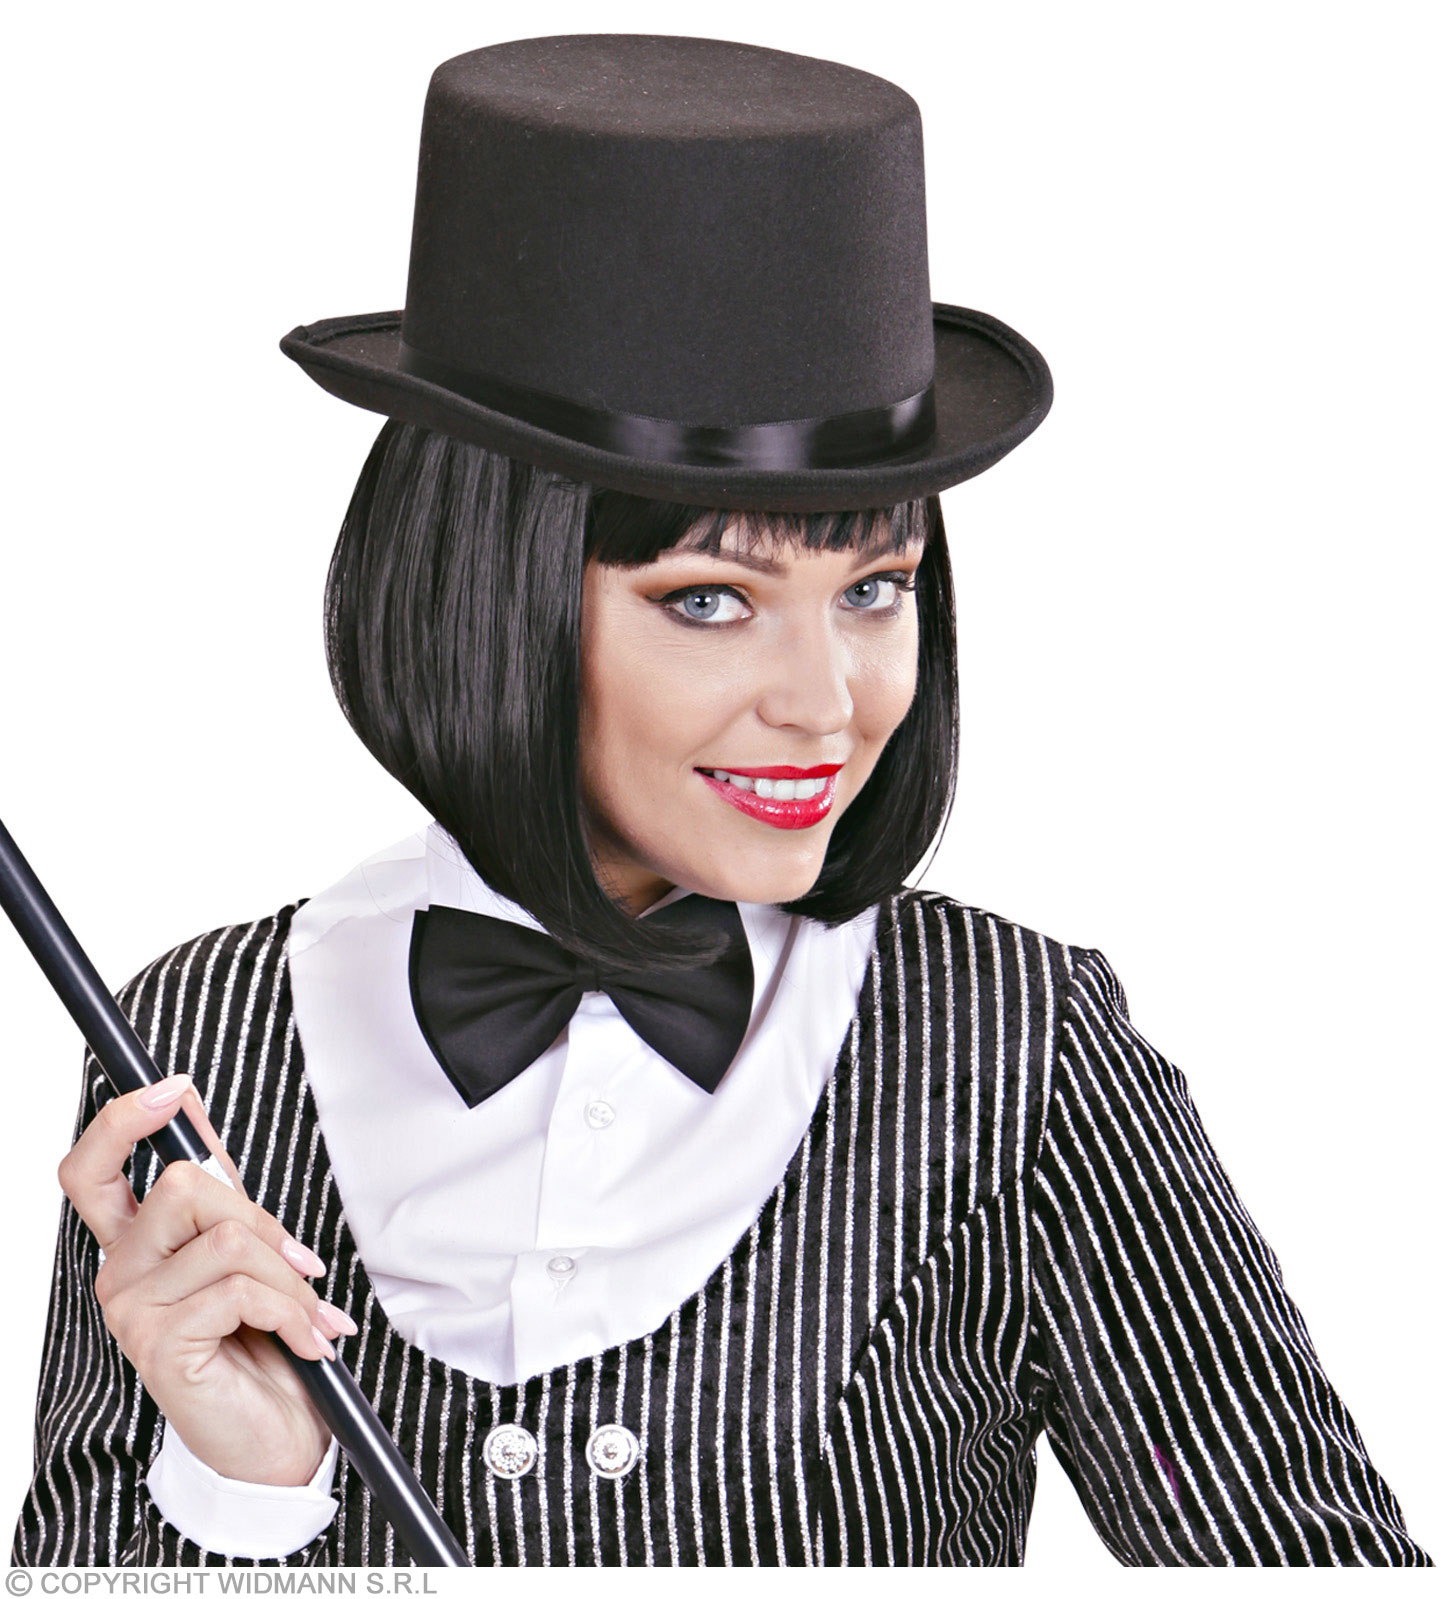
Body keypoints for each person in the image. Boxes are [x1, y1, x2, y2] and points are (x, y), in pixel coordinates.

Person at [10, 34, 1432, 1568]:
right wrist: (247, 1493)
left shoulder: (1017, 1045)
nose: (825, 700)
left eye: (873, 588)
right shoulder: (191, 1042)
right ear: (479, 596)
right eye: (709, 599)